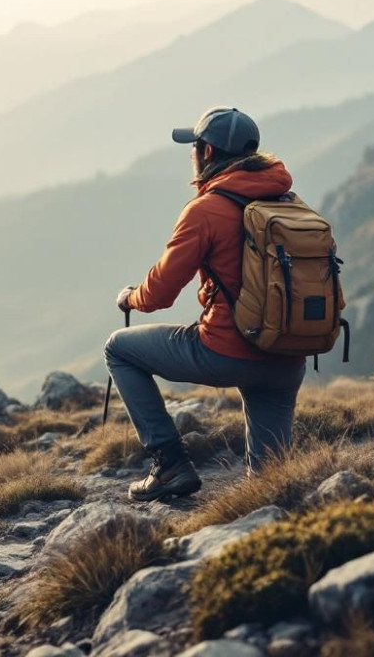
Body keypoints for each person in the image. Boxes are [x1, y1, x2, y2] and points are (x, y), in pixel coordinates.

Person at [106, 107, 307, 501]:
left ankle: (170, 466)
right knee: (269, 490)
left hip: (228, 351)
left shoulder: (206, 210)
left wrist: (129, 297)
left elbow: (160, 293)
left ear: (208, 153)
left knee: (119, 349)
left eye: (195, 146)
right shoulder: (290, 201)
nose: (192, 153)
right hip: (287, 357)